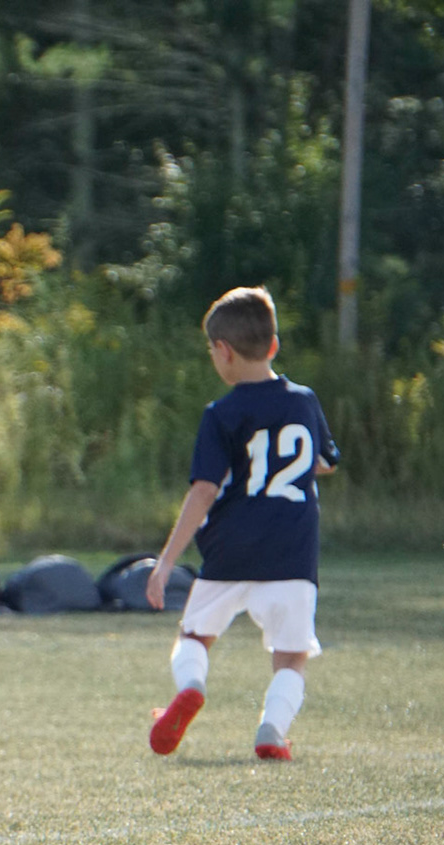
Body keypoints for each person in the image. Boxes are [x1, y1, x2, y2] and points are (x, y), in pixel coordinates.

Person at [145, 285, 338, 761]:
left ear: (223, 351)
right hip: (292, 551)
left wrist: (165, 563)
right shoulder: (305, 401)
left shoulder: (221, 414)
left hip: (230, 547)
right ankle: (272, 730)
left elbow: (204, 490)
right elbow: (324, 462)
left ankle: (191, 687)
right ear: (273, 346)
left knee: (194, 635)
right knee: (291, 655)